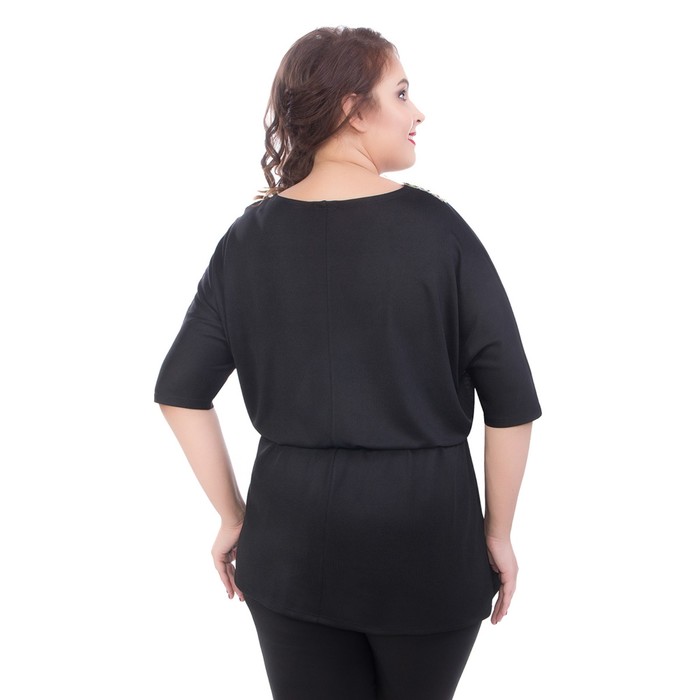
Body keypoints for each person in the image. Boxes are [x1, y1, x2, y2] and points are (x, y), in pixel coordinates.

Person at [154, 25, 541, 700]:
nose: (419, 112)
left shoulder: (246, 241)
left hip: (289, 542)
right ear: (352, 111)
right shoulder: (440, 232)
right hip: (427, 540)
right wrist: (498, 534)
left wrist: (235, 517)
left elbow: (180, 391)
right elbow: (509, 402)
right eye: (402, 93)